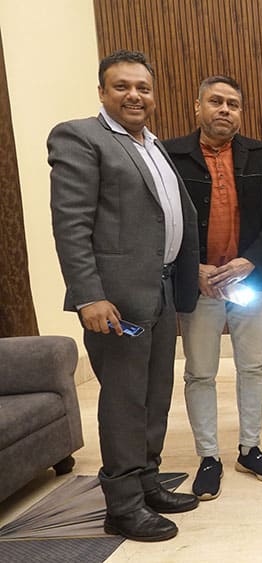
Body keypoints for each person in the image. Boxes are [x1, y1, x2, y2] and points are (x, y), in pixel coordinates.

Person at [49, 50, 200, 541]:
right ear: (102, 92)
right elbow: (71, 225)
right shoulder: (80, 137)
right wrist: (89, 296)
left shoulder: (152, 144)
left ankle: (147, 481)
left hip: (161, 290)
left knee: (155, 395)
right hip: (115, 300)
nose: (134, 95)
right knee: (123, 400)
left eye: (143, 88)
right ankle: (122, 504)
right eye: (122, 86)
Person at [164, 75, 262, 500]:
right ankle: (208, 457)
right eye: (215, 101)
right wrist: (191, 269)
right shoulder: (171, 155)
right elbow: (163, 222)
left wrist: (250, 261)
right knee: (200, 372)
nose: (224, 110)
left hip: (248, 280)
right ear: (197, 106)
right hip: (200, 283)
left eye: (232, 104)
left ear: (241, 112)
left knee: (253, 367)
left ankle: (250, 449)